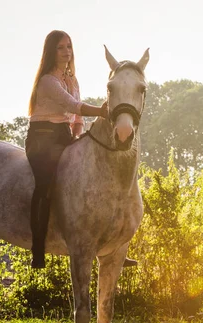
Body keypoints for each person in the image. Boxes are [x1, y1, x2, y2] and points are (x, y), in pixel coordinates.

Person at [25, 30, 137, 269]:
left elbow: (75, 115)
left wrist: (77, 132)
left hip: (64, 135)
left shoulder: (71, 79)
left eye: (69, 47)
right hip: (42, 139)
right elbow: (73, 104)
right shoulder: (48, 81)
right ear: (50, 52)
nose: (67, 52)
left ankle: (115, 243)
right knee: (45, 185)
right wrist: (102, 111)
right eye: (61, 47)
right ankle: (37, 246)